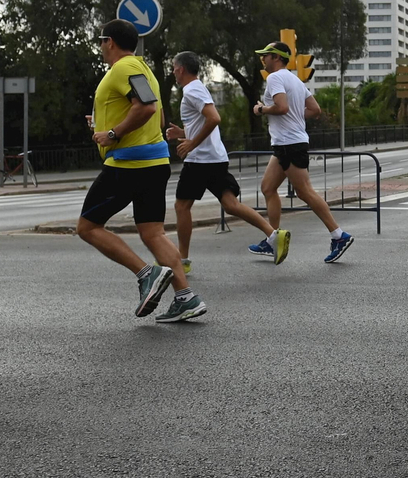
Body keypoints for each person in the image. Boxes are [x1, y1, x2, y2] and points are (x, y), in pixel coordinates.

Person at [76, 19, 203, 323]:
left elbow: (146, 108)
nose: (100, 47)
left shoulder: (124, 67)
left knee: (88, 227)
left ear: (110, 41)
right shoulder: (143, 69)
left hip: (129, 163)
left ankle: (146, 274)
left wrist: (113, 133)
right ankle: (185, 298)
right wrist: (104, 123)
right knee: (153, 233)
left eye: (101, 41)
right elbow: (155, 117)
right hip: (154, 163)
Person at [164, 51, 289, 272]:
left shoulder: (192, 90)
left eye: (174, 68)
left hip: (200, 160)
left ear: (181, 69)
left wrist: (191, 144)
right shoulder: (197, 88)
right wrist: (183, 133)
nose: (173, 72)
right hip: (214, 158)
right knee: (231, 205)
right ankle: (273, 235)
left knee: (181, 206)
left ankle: (181, 260)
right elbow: (204, 122)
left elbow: (214, 118)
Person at [252, 40, 354, 264]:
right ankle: (272, 239)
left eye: (266, 55)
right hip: (285, 143)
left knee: (305, 192)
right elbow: (314, 109)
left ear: (276, 57)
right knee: (268, 187)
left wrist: (261, 109)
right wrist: (296, 117)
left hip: (289, 143)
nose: (263, 59)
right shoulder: (296, 80)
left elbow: (282, 107)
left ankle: (339, 235)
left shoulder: (275, 78)